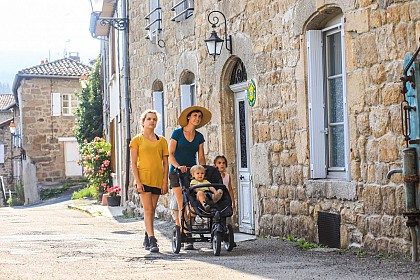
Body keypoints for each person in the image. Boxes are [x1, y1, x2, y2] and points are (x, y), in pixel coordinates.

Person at [168, 105, 212, 250]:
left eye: (199, 117)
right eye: (195, 116)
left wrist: (204, 170)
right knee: (181, 203)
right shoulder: (177, 133)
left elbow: (201, 156)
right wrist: (178, 166)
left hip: (191, 173)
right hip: (177, 172)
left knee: (191, 203)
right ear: (188, 117)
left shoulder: (199, 136)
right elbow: (170, 154)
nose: (197, 119)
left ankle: (187, 231)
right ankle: (184, 234)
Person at [130, 110, 169, 253]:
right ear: (143, 122)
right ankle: (153, 239)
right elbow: (134, 163)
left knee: (152, 209)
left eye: (154, 119)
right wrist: (138, 182)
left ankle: (147, 235)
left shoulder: (162, 141)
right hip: (144, 179)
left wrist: (165, 182)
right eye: (148, 119)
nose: (151, 121)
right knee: (148, 209)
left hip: (157, 179)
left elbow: (166, 163)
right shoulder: (137, 140)